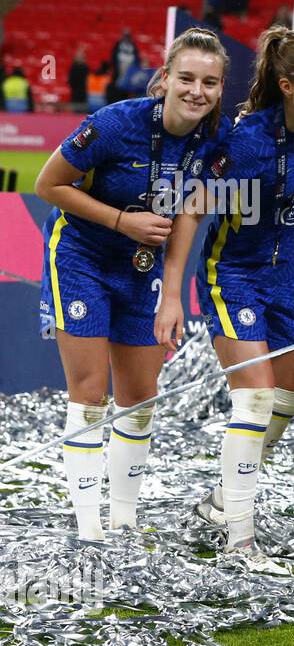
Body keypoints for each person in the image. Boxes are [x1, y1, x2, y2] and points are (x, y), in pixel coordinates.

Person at [34, 28, 230, 542]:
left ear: (220, 88)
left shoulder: (216, 138)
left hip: (144, 270)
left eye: (210, 82)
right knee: (91, 394)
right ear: (163, 80)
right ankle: (89, 528)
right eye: (186, 78)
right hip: (82, 259)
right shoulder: (113, 123)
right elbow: (47, 185)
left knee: (140, 398)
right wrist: (123, 223)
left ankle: (123, 521)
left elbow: (189, 215)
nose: (197, 91)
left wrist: (173, 295)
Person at [160, 27, 294, 572]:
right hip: (233, 274)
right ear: (288, 86)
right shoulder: (246, 143)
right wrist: (171, 295)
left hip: (290, 275)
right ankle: (240, 541)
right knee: (256, 401)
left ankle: (221, 501)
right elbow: (191, 207)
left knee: (289, 398)